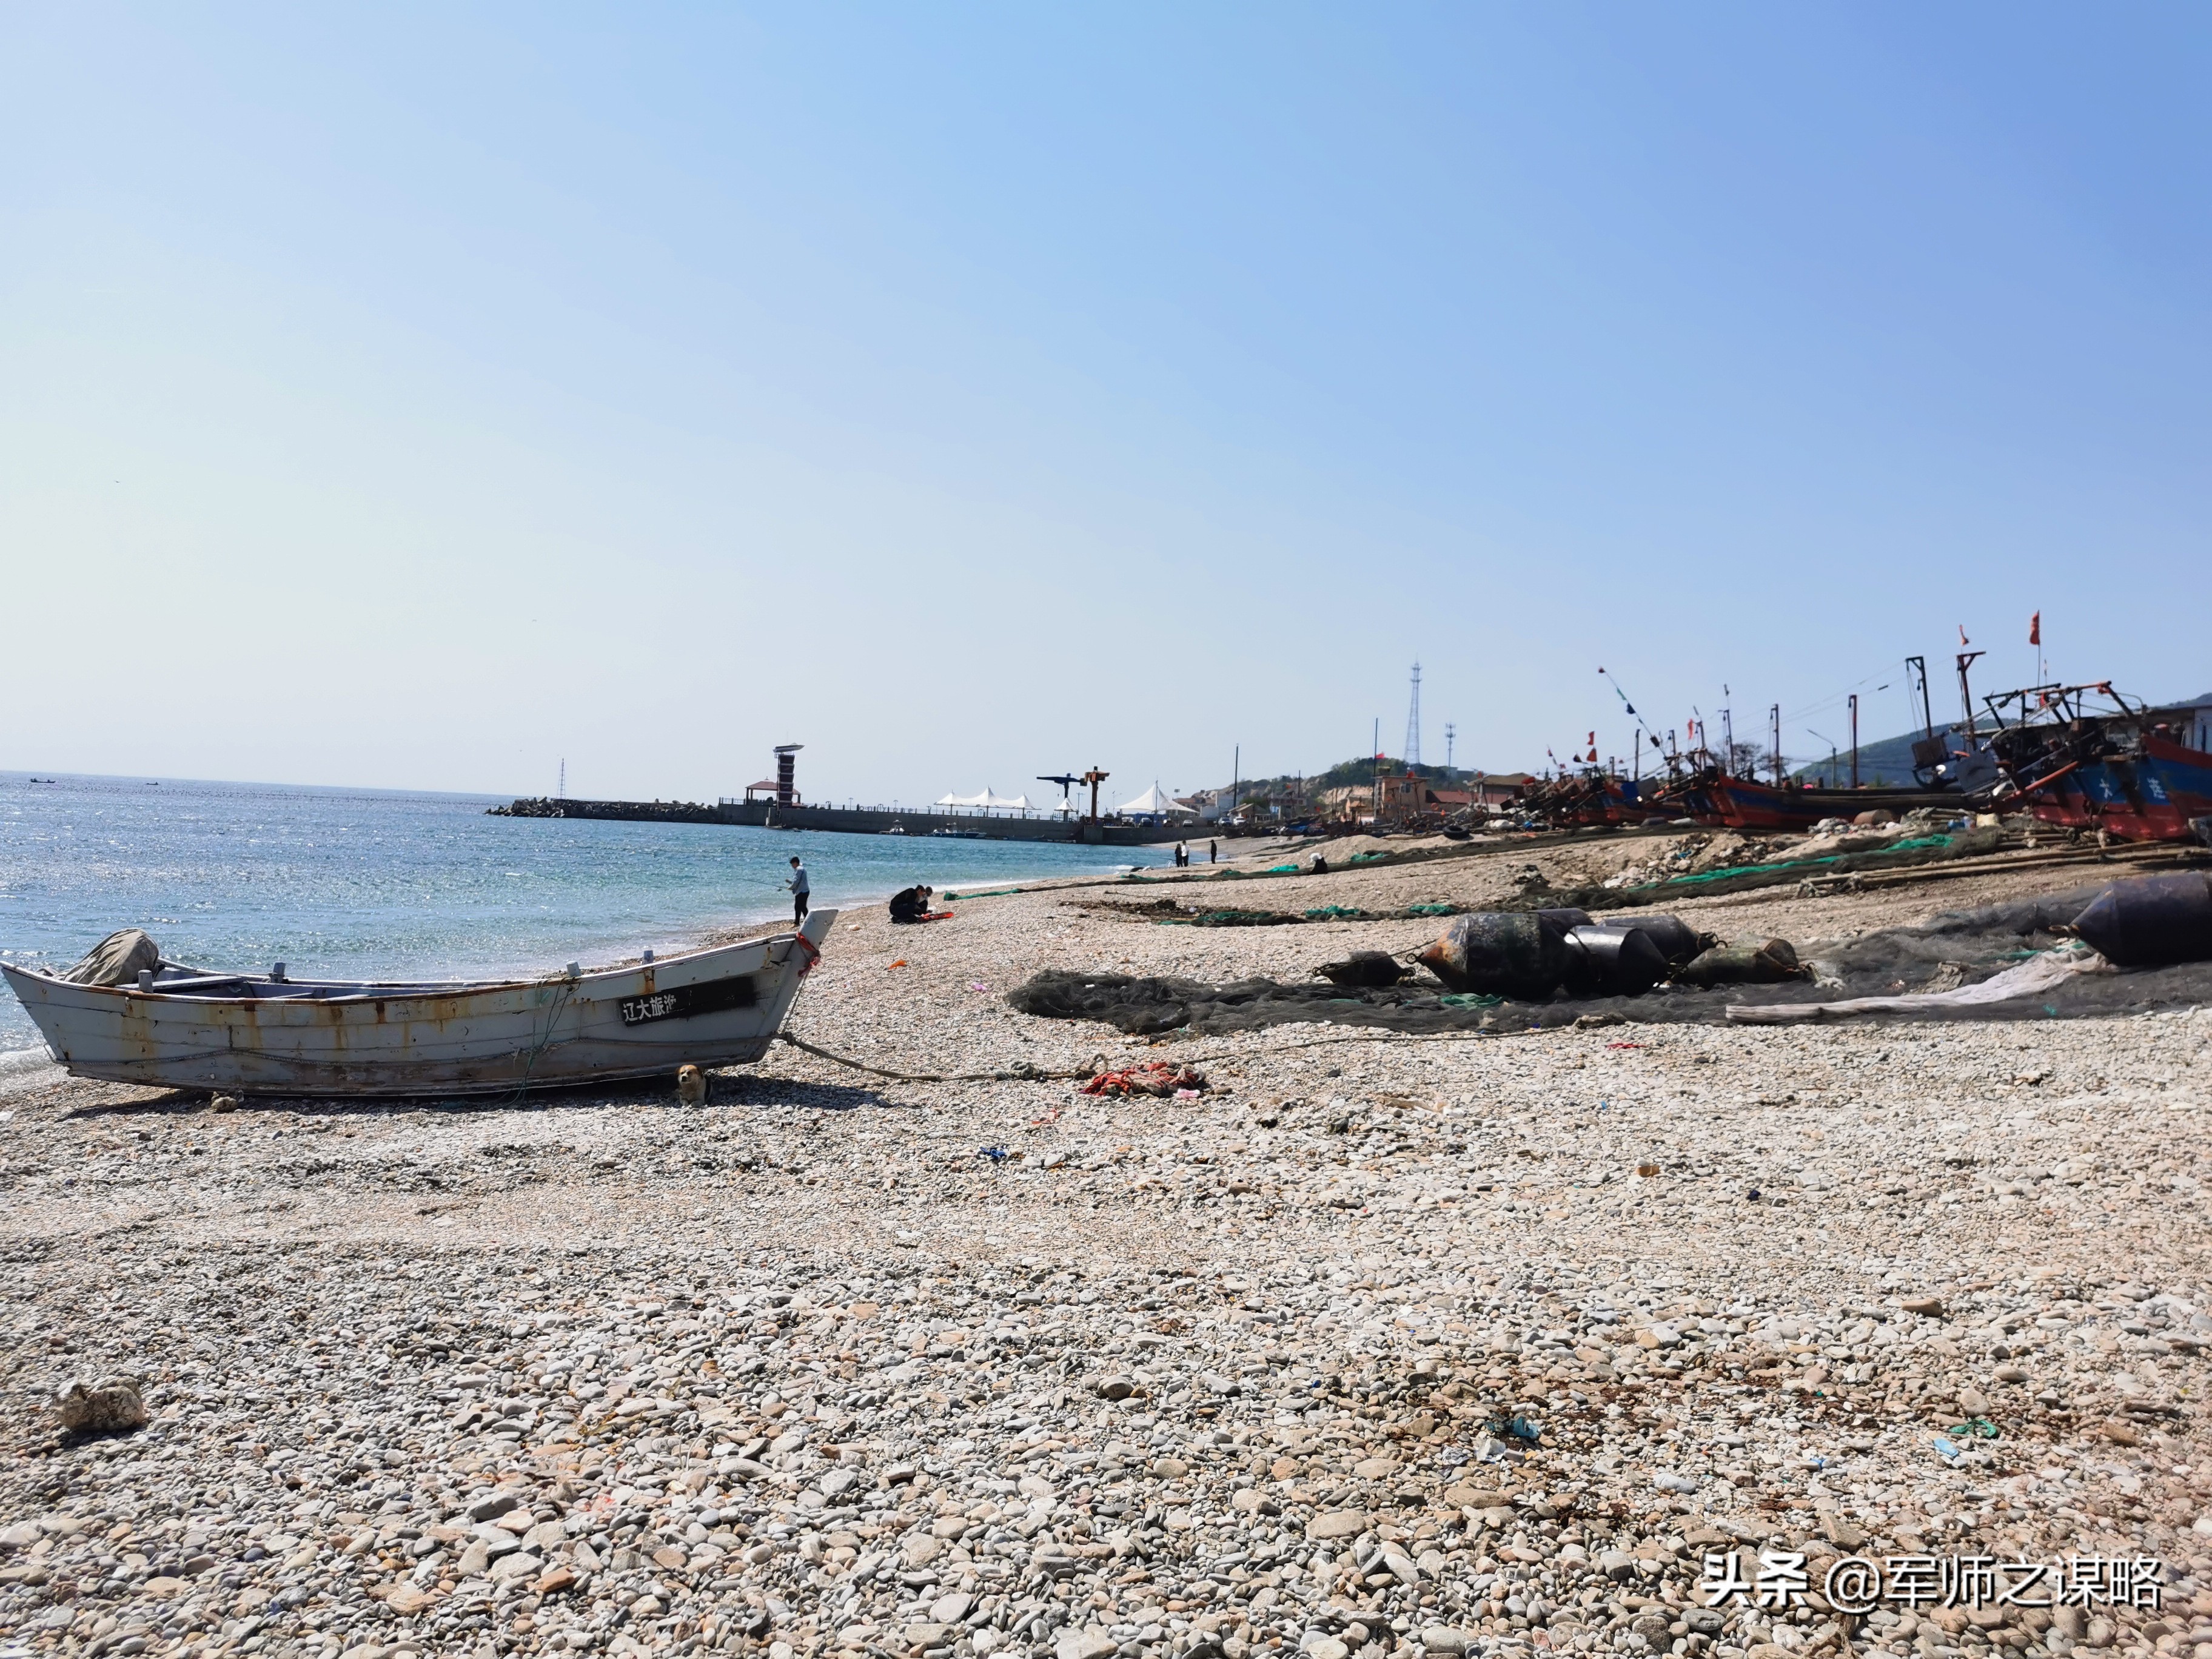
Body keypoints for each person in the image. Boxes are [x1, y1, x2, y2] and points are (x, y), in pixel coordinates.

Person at [786, 856, 810, 925]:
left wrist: (790, 887)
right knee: (798, 907)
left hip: (802, 892)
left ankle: (808, 921)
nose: (792, 866)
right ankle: (797, 922)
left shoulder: (799, 870)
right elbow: (798, 882)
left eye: (792, 864)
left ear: (795, 863)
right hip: (803, 891)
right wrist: (790, 882)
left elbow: (796, 882)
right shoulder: (801, 869)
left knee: (802, 907)